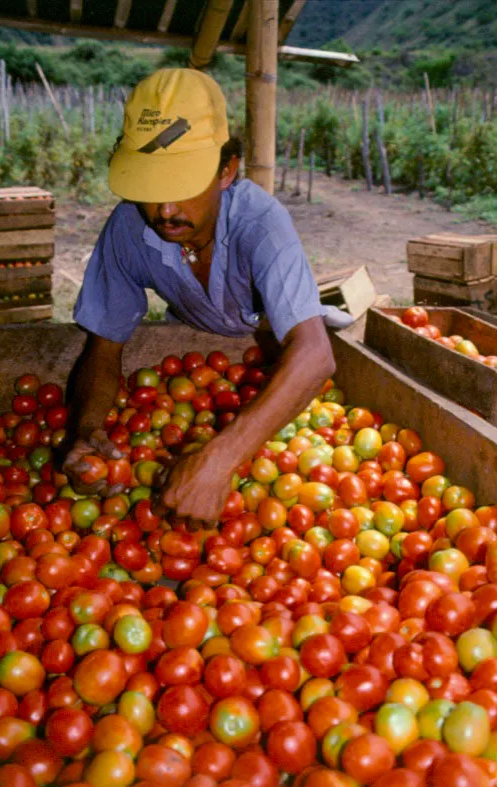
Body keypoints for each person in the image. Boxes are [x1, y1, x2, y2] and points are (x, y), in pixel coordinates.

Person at [63, 68, 351, 524]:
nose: (165, 210)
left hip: (276, 336)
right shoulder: (128, 227)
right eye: (151, 188)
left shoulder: (261, 226)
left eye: (181, 185)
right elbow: (104, 344)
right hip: (210, 345)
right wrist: (87, 430)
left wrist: (219, 459)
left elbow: (314, 356)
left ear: (227, 169)